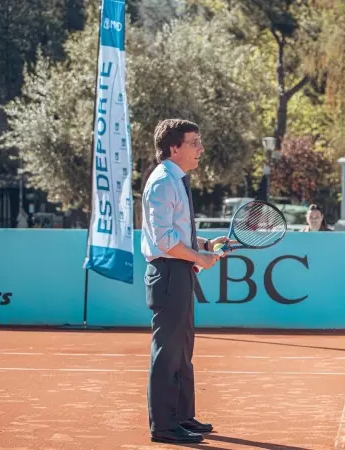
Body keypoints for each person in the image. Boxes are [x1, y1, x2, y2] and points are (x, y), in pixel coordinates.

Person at [140, 119, 230, 444]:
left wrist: (203, 245)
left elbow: (176, 233)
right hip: (168, 273)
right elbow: (164, 240)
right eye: (194, 143)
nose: (201, 149)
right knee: (168, 351)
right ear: (174, 147)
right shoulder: (163, 182)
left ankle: (182, 417)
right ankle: (164, 426)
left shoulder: (176, 180)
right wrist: (198, 258)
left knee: (183, 349)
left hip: (178, 270)